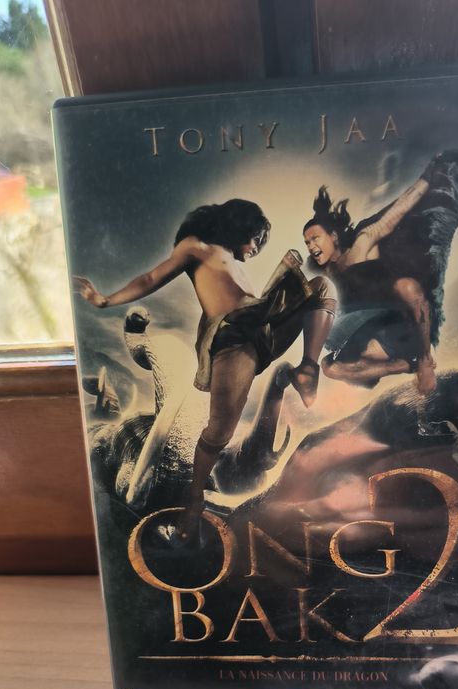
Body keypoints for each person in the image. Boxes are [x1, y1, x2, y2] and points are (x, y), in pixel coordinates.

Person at [74, 198, 337, 540]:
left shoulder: (237, 265)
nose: (255, 248)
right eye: (256, 239)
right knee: (219, 433)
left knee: (321, 288)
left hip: (262, 327)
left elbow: (254, 303)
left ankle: (307, 369)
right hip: (233, 339)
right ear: (241, 225)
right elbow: (151, 277)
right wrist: (105, 300)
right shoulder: (197, 248)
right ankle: (194, 501)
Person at [302, 148, 458, 396]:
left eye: (314, 238)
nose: (310, 246)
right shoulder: (327, 271)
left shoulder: (361, 244)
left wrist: (428, 176)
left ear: (333, 236)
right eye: (307, 242)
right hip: (370, 329)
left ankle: (422, 362)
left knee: (406, 289)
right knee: (329, 367)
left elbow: (395, 213)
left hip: (401, 322)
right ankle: (406, 365)